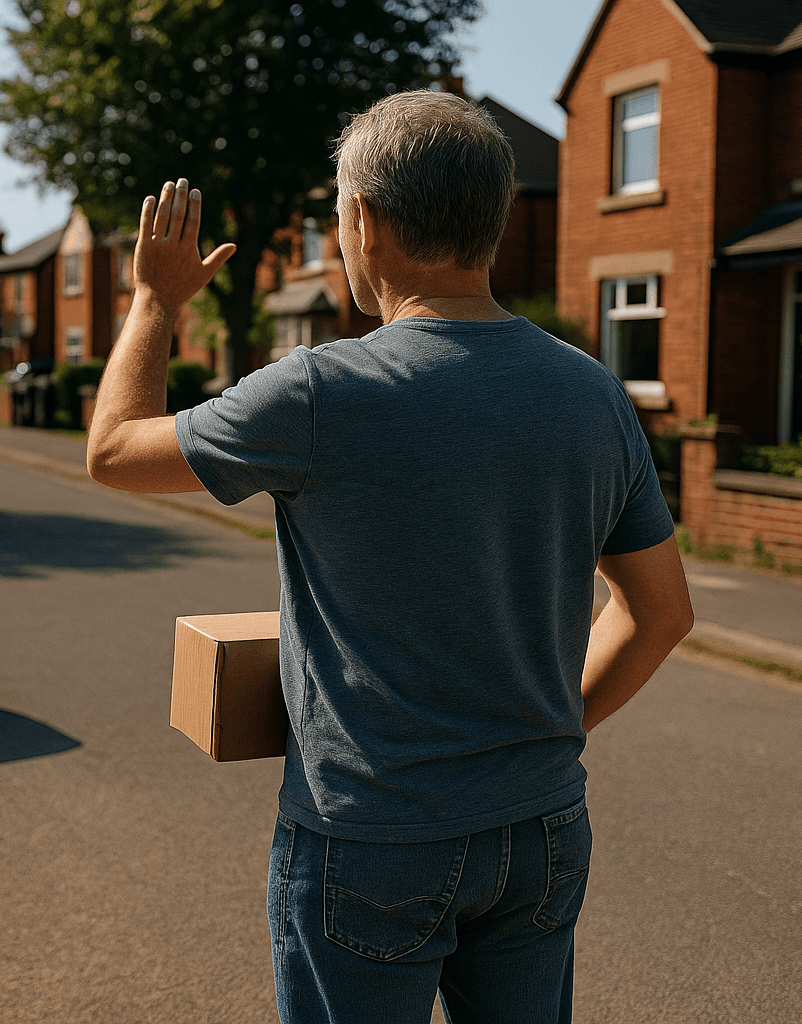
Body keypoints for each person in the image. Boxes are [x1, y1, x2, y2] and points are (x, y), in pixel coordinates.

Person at [86, 90, 694, 1024]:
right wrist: (546, 731)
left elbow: (115, 450)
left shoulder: (321, 391)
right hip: (543, 827)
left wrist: (154, 302)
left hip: (372, 836)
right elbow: (662, 615)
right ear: (489, 223)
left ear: (364, 223)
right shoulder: (594, 394)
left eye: (337, 218)